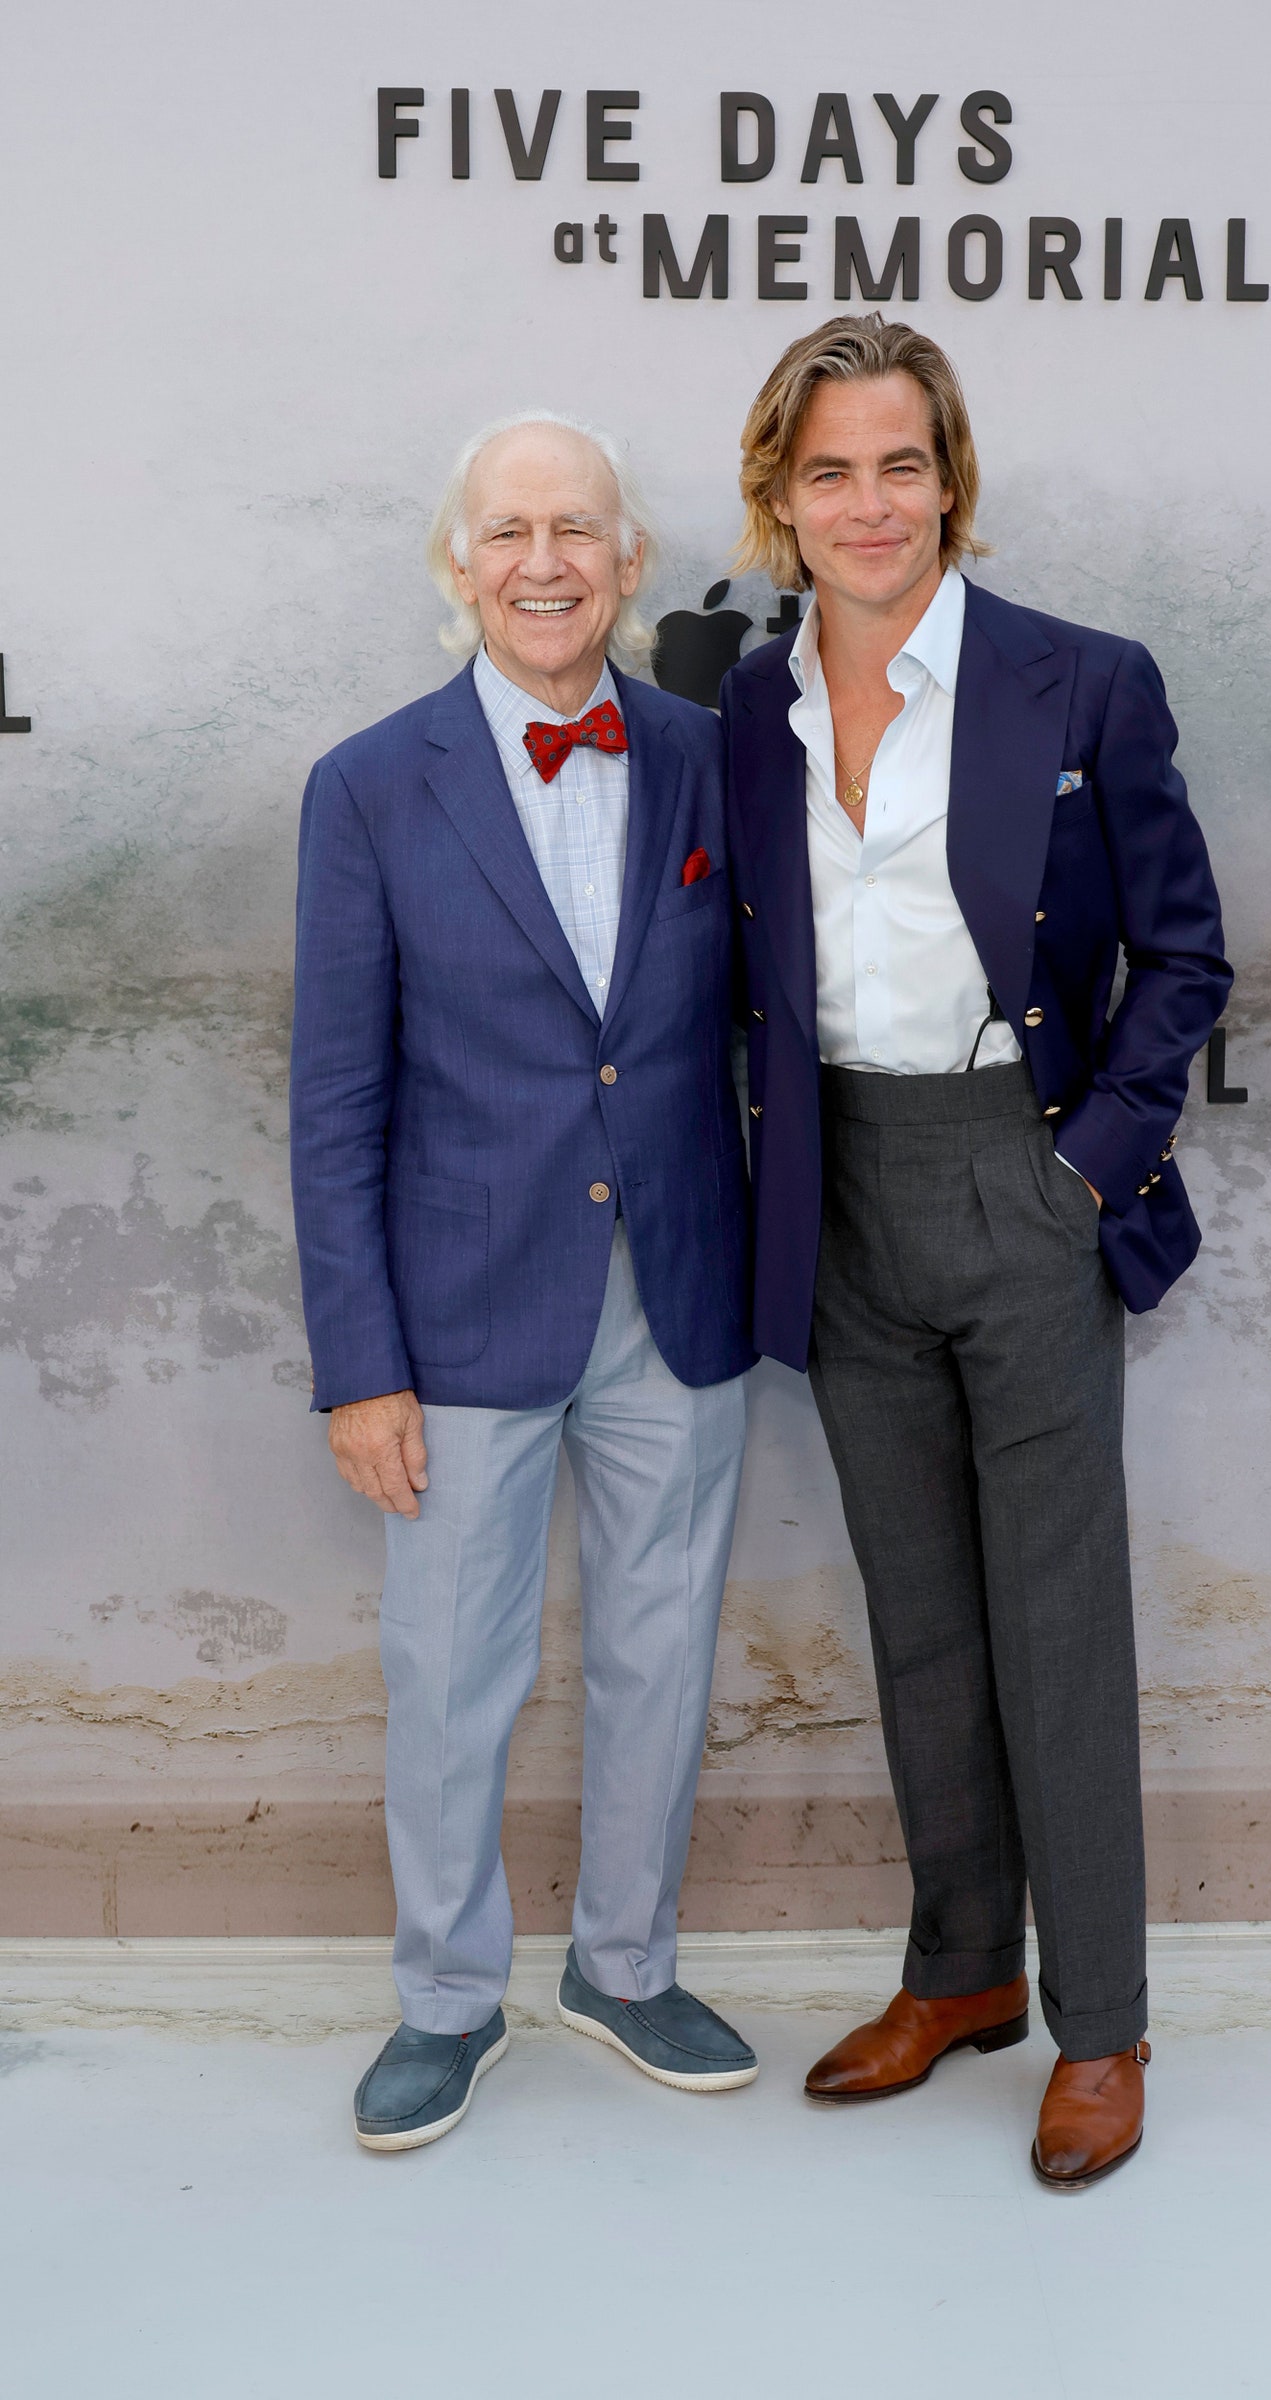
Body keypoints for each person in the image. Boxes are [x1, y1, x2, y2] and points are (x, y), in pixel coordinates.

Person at [722, 316, 1231, 2190]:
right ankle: (961, 1977)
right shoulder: (741, 721)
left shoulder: (1082, 684)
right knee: (919, 1620)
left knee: (1056, 1629)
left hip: (1019, 1180)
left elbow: (1184, 956)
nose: (872, 505)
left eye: (903, 464)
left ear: (954, 481)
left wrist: (1090, 1167)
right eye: (831, 471)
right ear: (780, 500)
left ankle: (1103, 2025)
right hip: (836, 1194)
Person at [290, 411, 759, 2151]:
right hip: (463, 1308)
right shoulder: (366, 785)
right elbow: (334, 1099)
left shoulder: (717, 763)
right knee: (453, 1668)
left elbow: (758, 1029)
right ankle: (445, 1999)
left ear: (630, 563)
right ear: (459, 564)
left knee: (661, 1646)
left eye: (578, 530)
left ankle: (625, 1966)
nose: (544, 561)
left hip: (680, 1291)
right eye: (508, 532)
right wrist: (360, 1360)